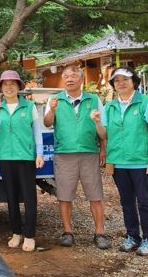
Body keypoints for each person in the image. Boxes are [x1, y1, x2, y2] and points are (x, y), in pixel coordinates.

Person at [91, 66, 148, 256]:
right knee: (127, 202)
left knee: (146, 202)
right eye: (116, 80)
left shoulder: (147, 102)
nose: (120, 83)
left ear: (134, 82)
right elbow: (104, 135)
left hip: (141, 162)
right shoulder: (110, 106)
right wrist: (97, 122)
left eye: (125, 79)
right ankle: (133, 236)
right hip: (119, 162)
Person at [43, 65, 111, 250]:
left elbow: (103, 131)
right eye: (66, 76)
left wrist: (103, 148)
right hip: (64, 154)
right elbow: (47, 123)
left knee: (95, 195)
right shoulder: (54, 99)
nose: (69, 79)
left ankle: (100, 233)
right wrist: (52, 110)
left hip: (89, 153)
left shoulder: (94, 99)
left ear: (81, 80)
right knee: (65, 196)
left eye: (73, 76)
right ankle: (67, 232)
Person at [0, 70, 44, 252]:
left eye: (13, 83)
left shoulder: (29, 106)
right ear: (1, 88)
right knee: (11, 198)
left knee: (29, 198)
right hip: (5, 158)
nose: (9, 87)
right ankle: (16, 233)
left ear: (18, 86)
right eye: (5, 84)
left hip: (26, 157)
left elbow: (37, 132)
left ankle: (29, 235)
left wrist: (39, 154)